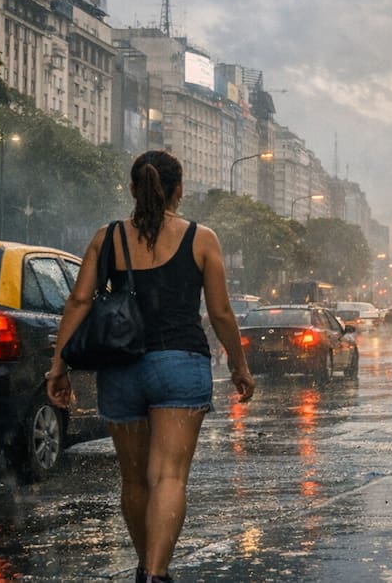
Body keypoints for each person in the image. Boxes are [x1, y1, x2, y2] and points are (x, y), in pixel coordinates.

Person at [45, 150, 255, 583]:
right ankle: (155, 573)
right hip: (180, 366)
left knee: (135, 481)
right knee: (169, 477)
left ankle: (146, 565)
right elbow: (220, 313)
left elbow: (80, 301)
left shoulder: (108, 238)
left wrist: (57, 366)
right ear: (179, 189)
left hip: (120, 369)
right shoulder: (201, 238)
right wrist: (240, 366)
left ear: (132, 189)